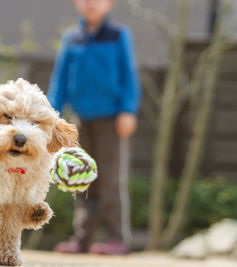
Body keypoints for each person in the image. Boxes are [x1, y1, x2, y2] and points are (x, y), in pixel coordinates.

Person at [47, 0, 141, 255]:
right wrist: (50, 114)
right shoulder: (72, 38)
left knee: (111, 179)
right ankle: (82, 239)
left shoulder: (118, 36)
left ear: (109, 4)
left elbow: (129, 76)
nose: (90, 4)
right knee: (81, 179)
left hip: (112, 120)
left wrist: (128, 110)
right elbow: (60, 80)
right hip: (80, 121)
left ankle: (117, 239)